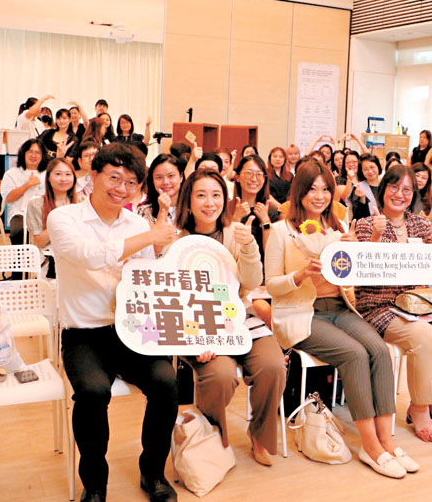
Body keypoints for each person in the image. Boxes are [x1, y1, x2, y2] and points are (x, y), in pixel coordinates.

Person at [265, 161, 417, 478]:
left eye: (325, 189)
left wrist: (358, 250)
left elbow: (354, 276)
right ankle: (370, 445)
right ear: (299, 192)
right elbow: (271, 285)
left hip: (340, 306)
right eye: (312, 189)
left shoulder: (340, 226)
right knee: (354, 354)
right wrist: (299, 274)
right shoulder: (281, 231)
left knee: (380, 350)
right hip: (303, 314)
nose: (319, 196)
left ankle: (386, 441)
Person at [46, 143, 179, 502]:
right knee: (92, 392)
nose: (121, 188)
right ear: (94, 175)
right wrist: (151, 236)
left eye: (131, 182)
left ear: (138, 188)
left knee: (167, 383)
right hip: (84, 334)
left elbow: (148, 277)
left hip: (132, 329)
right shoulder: (64, 218)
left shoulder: (137, 223)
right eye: (114, 177)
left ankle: (152, 473)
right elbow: (87, 256)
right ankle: (95, 483)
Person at [173, 169, 285, 464]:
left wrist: (249, 246)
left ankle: (260, 435)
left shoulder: (236, 233)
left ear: (225, 199)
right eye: (201, 195)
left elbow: (250, 282)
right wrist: (192, 338)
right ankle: (211, 438)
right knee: (220, 376)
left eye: (216, 195)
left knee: (272, 366)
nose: (209, 202)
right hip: (196, 324)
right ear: (188, 201)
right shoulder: (177, 240)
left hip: (239, 317)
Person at [354, 163, 432, 443]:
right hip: (380, 305)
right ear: (383, 189)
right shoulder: (366, 224)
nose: (400, 194)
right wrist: (376, 237)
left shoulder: (421, 224)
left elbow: (431, 272)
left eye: (407, 190)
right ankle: (419, 408)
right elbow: (363, 272)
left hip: (417, 302)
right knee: (426, 338)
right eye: (394, 188)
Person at [230, 154, 280, 327]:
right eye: (249, 173)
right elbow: (226, 248)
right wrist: (235, 218)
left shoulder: (271, 211)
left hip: (265, 280)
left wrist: (266, 222)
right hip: (236, 277)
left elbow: (271, 253)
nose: (254, 179)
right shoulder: (226, 207)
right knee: (261, 308)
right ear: (237, 177)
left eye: (259, 175)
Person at [25, 157, 81, 278]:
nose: (63, 179)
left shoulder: (81, 203)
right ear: (49, 178)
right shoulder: (36, 204)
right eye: (58, 174)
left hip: (78, 259)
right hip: (49, 262)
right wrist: (60, 217)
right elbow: (39, 241)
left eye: (68, 174)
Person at [1, 139, 48, 246]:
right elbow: (8, 198)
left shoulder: (48, 173)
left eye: (37, 152)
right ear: (23, 153)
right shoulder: (12, 174)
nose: (33, 155)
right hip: (20, 213)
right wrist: (27, 185)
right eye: (30, 152)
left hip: (44, 213)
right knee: (19, 231)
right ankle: (20, 260)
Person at [136, 153, 185, 229]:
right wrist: (163, 210)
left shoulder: (192, 208)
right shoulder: (144, 211)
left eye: (171, 176)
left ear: (181, 177)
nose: (165, 182)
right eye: (159, 177)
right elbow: (156, 238)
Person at [349, 153, 382, 220]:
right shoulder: (358, 188)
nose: (370, 171)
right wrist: (362, 199)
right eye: (365, 169)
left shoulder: (386, 186)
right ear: (362, 171)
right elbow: (357, 217)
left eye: (372, 167)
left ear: (378, 166)